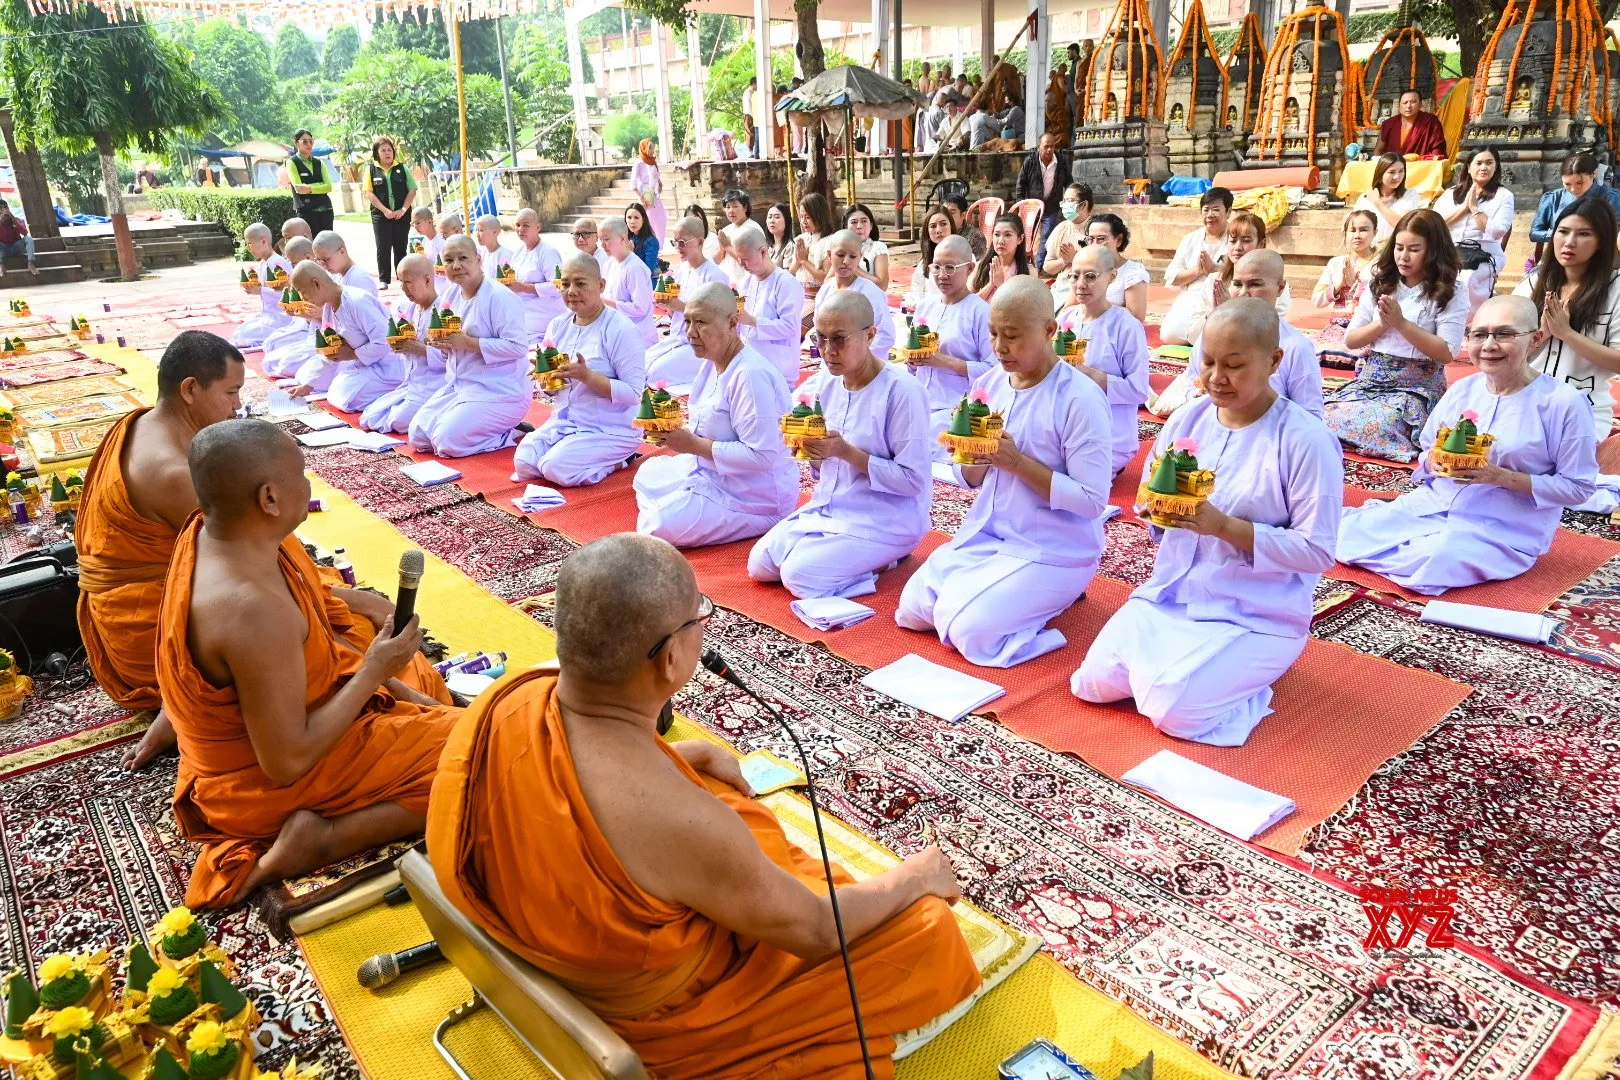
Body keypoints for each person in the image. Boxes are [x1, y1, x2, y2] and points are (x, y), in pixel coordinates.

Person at [426, 534, 979, 1079]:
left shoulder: (506, 701)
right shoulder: (681, 821)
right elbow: (816, 932)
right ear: (670, 658)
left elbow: (582, 776)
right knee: (927, 928)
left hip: (548, 931)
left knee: (723, 798)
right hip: (655, 1016)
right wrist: (915, 876)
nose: (704, 628)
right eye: (699, 617)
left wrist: (680, 756)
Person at [158, 419, 459, 907]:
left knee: (391, 657)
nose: (309, 482)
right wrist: (374, 673)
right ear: (270, 498)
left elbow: (318, 630)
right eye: (300, 473)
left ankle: (403, 724)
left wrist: (389, 680)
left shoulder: (223, 533)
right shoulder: (251, 610)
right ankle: (326, 838)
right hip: (262, 785)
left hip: (285, 719)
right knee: (486, 755)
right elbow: (286, 763)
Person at [1074, 298, 1344, 746]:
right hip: (1172, 595)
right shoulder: (1188, 419)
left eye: (1234, 366)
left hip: (1255, 612)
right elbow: (1152, 500)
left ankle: (1248, 684)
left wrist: (1223, 527)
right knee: (1093, 684)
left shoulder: (1306, 440)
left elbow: (1316, 551)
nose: (1216, 377)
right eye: (1208, 362)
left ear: (1274, 361)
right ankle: (1189, 674)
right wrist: (1157, 511)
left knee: (1175, 712)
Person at [895, 278, 1113, 667]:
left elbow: (1092, 502)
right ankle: (994, 597)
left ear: (1049, 330)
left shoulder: (1080, 398)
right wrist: (974, 457)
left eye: (1012, 336)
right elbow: (968, 476)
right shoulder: (990, 383)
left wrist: (1017, 463)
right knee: (913, 611)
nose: (999, 347)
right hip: (989, 534)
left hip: (1053, 546)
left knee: (967, 630)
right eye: (993, 333)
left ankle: (1047, 612)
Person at [1337, 295, 1597, 593]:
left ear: (1535, 339)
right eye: (1479, 334)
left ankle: (1407, 545)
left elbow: (1579, 488)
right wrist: (1433, 462)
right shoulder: (1462, 390)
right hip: (1434, 505)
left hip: (1500, 528)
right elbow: (1427, 450)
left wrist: (1500, 476)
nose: (1489, 345)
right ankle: (1393, 533)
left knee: (1435, 560)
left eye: (1504, 334)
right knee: (1340, 532)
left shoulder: (1563, 403)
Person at [750, 291, 932, 598]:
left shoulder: (903, 392)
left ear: (870, 335)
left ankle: (887, 560)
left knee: (799, 577)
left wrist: (846, 452)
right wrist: (811, 450)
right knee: (761, 565)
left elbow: (913, 482)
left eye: (839, 339)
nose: (827, 351)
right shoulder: (826, 381)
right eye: (820, 338)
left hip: (886, 517)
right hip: (830, 506)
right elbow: (824, 469)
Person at [634, 282, 798, 547]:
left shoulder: (750, 376)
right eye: (687, 321)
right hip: (710, 473)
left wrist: (693, 445)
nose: (690, 332)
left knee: (655, 527)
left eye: (700, 322)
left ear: (732, 323)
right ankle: (683, 501)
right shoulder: (713, 363)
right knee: (648, 473)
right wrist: (675, 433)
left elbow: (762, 456)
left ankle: (756, 519)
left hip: (752, 496)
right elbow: (710, 423)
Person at [1325, 208, 1469, 462]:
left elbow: (1447, 352)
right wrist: (1382, 323)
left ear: (1434, 251)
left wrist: (1401, 323)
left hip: (1416, 388)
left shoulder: (1452, 290)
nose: (1404, 256)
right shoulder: (1380, 282)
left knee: (1381, 423)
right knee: (1323, 415)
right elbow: (1352, 339)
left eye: (1414, 249)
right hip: (1371, 382)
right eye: (1399, 248)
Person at [1517, 196, 1620, 510]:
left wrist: (1568, 335)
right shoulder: (1535, 283)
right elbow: (1500, 348)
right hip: (1525, 400)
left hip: (1583, 408)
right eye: (1563, 232)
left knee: (1533, 460)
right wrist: (1539, 337)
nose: (1569, 242)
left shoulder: (1616, 289)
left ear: (1602, 241)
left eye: (1583, 234)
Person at [513, 254, 646, 487]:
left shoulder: (620, 329)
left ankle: (621, 460)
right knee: (523, 463)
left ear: (600, 285)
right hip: (567, 421)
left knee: (554, 468)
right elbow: (552, 390)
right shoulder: (558, 325)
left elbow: (634, 394)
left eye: (580, 284)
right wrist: (545, 379)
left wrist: (588, 377)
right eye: (565, 284)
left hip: (610, 428)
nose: (571, 291)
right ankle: (575, 455)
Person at [1155, 250, 1325, 420]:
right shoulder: (1210, 336)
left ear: (1280, 288)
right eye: (1237, 284)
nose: (1243, 293)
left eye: (1255, 284)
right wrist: (1197, 396)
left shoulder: (1296, 347)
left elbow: (1310, 415)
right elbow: (1191, 382)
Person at [408, 235, 532, 458]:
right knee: (417, 436)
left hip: (500, 390)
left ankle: (509, 433)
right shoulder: (451, 294)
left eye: (463, 258)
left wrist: (468, 343)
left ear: (478, 259)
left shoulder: (499, 296)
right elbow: (449, 347)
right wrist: (441, 343)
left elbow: (518, 347)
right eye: (449, 260)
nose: (456, 265)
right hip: (461, 385)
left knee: (446, 442)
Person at [1053, 246, 1151, 472]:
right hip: (1064, 429)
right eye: (1074, 276)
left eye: (1090, 276)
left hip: (1108, 436)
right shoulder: (1065, 319)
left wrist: (1086, 373)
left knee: (1068, 479)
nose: (1080, 284)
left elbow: (1138, 390)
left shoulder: (1126, 326)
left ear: (1112, 276)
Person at [288, 261, 403, 413]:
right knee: (335, 391)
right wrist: (308, 386)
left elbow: (385, 341)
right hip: (365, 364)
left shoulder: (357, 301)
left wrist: (352, 354)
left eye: (303, 292)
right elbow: (331, 348)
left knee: (346, 398)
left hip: (389, 365)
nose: (303, 298)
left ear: (316, 284)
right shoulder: (329, 307)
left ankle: (399, 389)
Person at [910, 235, 994, 440]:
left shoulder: (980, 312)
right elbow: (912, 365)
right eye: (936, 267)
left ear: (970, 268)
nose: (942, 275)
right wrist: (912, 361)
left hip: (957, 409)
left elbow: (993, 370)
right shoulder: (925, 306)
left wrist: (944, 361)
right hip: (919, 400)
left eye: (950, 268)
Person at [360, 253, 449, 435]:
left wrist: (420, 349)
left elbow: (454, 359)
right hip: (412, 382)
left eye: (408, 282)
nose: (403, 288)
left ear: (427, 280)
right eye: (401, 282)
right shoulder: (408, 308)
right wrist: (398, 344)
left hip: (436, 384)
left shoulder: (445, 312)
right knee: (370, 415)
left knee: (398, 421)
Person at [646, 216, 733, 389]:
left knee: (655, 373)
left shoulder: (714, 275)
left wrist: (681, 307)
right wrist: (665, 303)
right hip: (677, 338)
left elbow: (719, 318)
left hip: (703, 344)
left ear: (700, 241)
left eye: (683, 243)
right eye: (675, 242)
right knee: (640, 364)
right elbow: (674, 311)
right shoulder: (680, 270)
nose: (678, 247)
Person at [1432, 148, 1515, 316]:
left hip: (1485, 253)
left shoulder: (1504, 196)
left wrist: (1475, 209)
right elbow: (1434, 223)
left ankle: (1467, 321)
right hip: (1451, 251)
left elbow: (1498, 232)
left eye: (1489, 163)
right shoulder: (1450, 194)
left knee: (1465, 279)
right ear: (1469, 167)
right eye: (1479, 163)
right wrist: (1464, 208)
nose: (1483, 167)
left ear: (1496, 167)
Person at [732, 222, 805, 387]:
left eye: (745, 259)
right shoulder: (745, 282)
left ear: (763, 252)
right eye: (738, 259)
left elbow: (790, 328)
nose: (741, 264)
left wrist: (752, 321)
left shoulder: (786, 283)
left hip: (777, 370)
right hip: (748, 364)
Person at [1159, 188, 1233, 343]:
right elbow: (1172, 277)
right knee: (1169, 335)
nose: (1210, 215)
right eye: (1206, 210)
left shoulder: (1235, 238)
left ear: (1228, 212)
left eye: (1216, 209)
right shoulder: (1190, 239)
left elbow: (1243, 271)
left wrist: (1214, 269)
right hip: (1192, 296)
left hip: (1223, 297)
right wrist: (1197, 271)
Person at [814, 231, 897, 361]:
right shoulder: (825, 290)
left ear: (860, 258)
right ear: (830, 256)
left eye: (853, 256)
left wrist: (855, 361)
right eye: (840, 255)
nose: (846, 261)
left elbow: (886, 335)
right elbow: (819, 330)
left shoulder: (870, 292)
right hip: (832, 361)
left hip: (864, 365)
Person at [1312, 209, 1381, 362]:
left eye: (1363, 230)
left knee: (1357, 355)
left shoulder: (1380, 265)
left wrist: (1358, 285)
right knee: (1313, 352)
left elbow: (1381, 302)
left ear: (1375, 232)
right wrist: (1339, 285)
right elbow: (1317, 300)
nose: (1357, 235)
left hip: (1365, 329)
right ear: (1346, 233)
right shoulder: (1335, 263)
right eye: (1352, 230)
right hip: (1337, 327)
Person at [1528, 151, 1620, 248]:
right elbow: (1534, 233)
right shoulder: (1553, 197)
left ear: (1593, 174)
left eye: (1579, 183)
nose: (1573, 189)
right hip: (1561, 254)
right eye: (1567, 184)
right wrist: (1563, 234)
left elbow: (1615, 233)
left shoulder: (1613, 198)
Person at [260, 236, 319, 379]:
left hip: (328, 341)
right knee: (269, 352)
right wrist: (298, 312)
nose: (284, 241)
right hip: (308, 330)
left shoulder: (327, 279)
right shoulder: (303, 276)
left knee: (286, 363)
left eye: (287, 237)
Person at [506, 208, 566, 342]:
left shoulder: (548, 252)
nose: (520, 229)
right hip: (522, 310)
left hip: (543, 314)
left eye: (526, 225)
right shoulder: (519, 251)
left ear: (538, 227)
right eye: (517, 225)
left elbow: (558, 285)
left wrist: (523, 287)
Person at [231, 223, 294, 349]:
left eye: (250, 243)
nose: (249, 248)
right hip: (268, 315)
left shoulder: (277, 263)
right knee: (241, 330)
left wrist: (260, 290)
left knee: (245, 334)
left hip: (282, 316)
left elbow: (289, 293)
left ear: (263, 241)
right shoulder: (263, 263)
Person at [365, 136, 416, 288]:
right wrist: (385, 210)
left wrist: (403, 209)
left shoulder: (402, 168)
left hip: (402, 214)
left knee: (401, 245)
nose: (387, 153)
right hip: (381, 215)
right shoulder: (371, 170)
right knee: (383, 246)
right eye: (383, 150)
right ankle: (384, 280)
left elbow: (412, 190)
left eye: (389, 150)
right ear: (377, 153)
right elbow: (369, 193)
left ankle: (402, 278)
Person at [1014, 134, 1072, 266]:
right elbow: (1021, 184)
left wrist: (1068, 202)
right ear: (1039, 147)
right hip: (1032, 207)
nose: (1049, 150)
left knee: (1046, 237)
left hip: (1051, 207)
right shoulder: (1030, 161)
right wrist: (1021, 204)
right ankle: (1023, 264)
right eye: (1046, 147)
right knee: (1027, 236)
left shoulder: (1061, 161)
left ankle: (1038, 266)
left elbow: (1069, 183)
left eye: (1052, 146)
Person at [599, 217, 657, 347]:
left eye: (606, 239)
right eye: (600, 240)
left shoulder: (635, 268)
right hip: (616, 332)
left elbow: (640, 308)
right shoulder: (609, 264)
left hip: (638, 336)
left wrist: (604, 302)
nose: (602, 244)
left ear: (622, 239)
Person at [1085, 213, 1149, 323]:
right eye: (1090, 239)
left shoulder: (1132, 273)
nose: (1095, 244)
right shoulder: (1084, 267)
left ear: (1118, 240)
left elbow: (1136, 318)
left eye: (1101, 239)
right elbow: (1069, 307)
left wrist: (1095, 308)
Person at [1354, 153, 1424, 246]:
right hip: (1368, 249)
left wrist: (1378, 203)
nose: (1397, 177)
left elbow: (1404, 226)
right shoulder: (1366, 197)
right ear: (1380, 173)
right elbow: (1354, 227)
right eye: (1391, 172)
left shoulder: (1410, 194)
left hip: (1395, 249)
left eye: (1401, 171)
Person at [279, 129, 336, 235]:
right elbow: (299, 189)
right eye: (304, 141)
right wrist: (320, 185)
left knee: (327, 241)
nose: (309, 144)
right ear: (296, 143)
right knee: (310, 242)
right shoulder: (291, 162)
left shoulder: (319, 162)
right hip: (307, 211)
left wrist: (309, 188)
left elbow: (329, 187)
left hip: (326, 209)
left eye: (311, 141)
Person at [970, 213, 1033, 302]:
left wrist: (1000, 285)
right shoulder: (982, 265)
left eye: (1007, 235)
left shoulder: (1028, 272)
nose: (1000, 241)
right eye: (997, 234)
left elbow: (1022, 307)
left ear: (1020, 239)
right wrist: (991, 284)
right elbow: (967, 302)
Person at [1040, 184, 1094, 283]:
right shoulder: (1061, 228)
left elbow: (1102, 267)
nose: (1065, 205)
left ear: (1084, 205)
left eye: (1070, 200)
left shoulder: (1097, 228)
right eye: (1064, 201)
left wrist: (1074, 259)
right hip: (1063, 285)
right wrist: (1064, 261)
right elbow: (1047, 267)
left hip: (1088, 284)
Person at [907, 209, 958, 311]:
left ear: (951, 227)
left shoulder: (965, 257)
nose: (938, 230)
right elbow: (916, 291)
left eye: (943, 224)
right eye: (933, 226)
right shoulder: (924, 263)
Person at [1375, 89, 1447, 158]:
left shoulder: (1430, 121)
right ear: (1399, 105)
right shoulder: (1389, 124)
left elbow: (1437, 150)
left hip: (1422, 164)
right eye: (1405, 103)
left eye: (1413, 102)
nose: (1408, 106)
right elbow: (1377, 152)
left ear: (1420, 104)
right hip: (1394, 165)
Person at [792, 193, 838, 294]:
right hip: (799, 291)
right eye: (801, 217)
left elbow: (825, 276)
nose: (804, 221)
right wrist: (798, 260)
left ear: (820, 216)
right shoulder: (801, 239)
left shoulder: (830, 241)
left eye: (808, 217)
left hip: (819, 293)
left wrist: (804, 261)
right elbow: (791, 272)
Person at [311, 230, 379, 298]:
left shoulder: (359, 279)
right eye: (318, 260)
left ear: (342, 252)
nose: (323, 265)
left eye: (325, 259)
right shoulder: (334, 275)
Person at [841, 203, 891, 291]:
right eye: (854, 222)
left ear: (871, 225)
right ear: (846, 226)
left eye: (864, 221)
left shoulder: (878, 248)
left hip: (869, 297)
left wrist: (854, 268)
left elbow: (882, 285)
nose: (859, 226)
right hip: (844, 296)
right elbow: (827, 281)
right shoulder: (841, 248)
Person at [630, 138, 666, 241]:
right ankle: (648, 245)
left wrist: (660, 183)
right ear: (644, 148)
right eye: (649, 147)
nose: (652, 150)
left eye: (652, 147)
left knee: (661, 219)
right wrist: (640, 197)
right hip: (645, 196)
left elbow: (656, 176)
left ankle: (659, 246)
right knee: (649, 222)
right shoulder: (638, 163)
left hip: (655, 195)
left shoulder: (652, 161)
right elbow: (633, 182)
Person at [473, 213, 515, 286]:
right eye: (476, 230)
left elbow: (508, 284)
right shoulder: (481, 252)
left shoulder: (506, 255)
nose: (477, 234)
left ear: (494, 232)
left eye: (480, 230)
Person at [0, 199, 36, 278]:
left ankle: (31, 263)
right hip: (4, 250)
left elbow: (25, 233)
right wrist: (2, 220)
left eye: (5, 207)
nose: (4, 210)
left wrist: (13, 218)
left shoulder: (17, 219)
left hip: (17, 248)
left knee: (28, 239)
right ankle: (1, 266)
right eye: (1, 208)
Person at [945, 194, 988, 260]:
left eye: (952, 213)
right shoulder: (939, 232)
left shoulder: (975, 236)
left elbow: (979, 263)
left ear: (963, 215)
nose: (947, 216)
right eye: (945, 212)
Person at [626, 203, 661, 273]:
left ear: (643, 220)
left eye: (636, 217)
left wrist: (631, 254)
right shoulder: (627, 238)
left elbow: (648, 270)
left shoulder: (651, 241)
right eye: (629, 217)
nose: (632, 221)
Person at [765, 201, 797, 272]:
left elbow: (787, 274)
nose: (772, 221)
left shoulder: (789, 247)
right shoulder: (766, 245)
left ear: (786, 221)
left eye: (777, 217)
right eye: (769, 217)